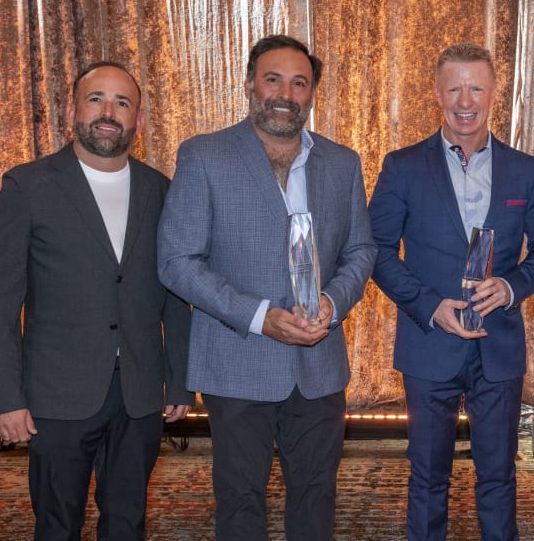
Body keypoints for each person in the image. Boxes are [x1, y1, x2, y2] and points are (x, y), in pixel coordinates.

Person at [156, 35, 376, 540]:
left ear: (312, 94)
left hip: (319, 367)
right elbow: (176, 261)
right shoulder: (204, 156)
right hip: (237, 362)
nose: (285, 93)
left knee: (317, 498)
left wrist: (332, 301)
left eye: (299, 83)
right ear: (251, 85)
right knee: (239, 505)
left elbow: (361, 252)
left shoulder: (342, 164)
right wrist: (259, 317)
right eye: (273, 79)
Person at [0, 62, 193, 539]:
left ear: (139, 118)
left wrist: (179, 384)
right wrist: (6, 399)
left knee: (127, 523)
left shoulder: (162, 190)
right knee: (57, 525)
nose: (108, 112)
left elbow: (177, 295)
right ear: (73, 109)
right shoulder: (27, 186)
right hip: (55, 397)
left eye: (122, 102)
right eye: (96, 99)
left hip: (139, 395)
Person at [369, 42, 534, 541]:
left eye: (476, 87)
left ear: (494, 93)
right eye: (454, 87)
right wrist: (430, 307)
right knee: (428, 478)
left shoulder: (525, 170)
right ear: (436, 93)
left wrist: (512, 287)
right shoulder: (402, 166)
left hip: (498, 349)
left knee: (498, 476)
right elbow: (378, 252)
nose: (465, 99)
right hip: (429, 345)